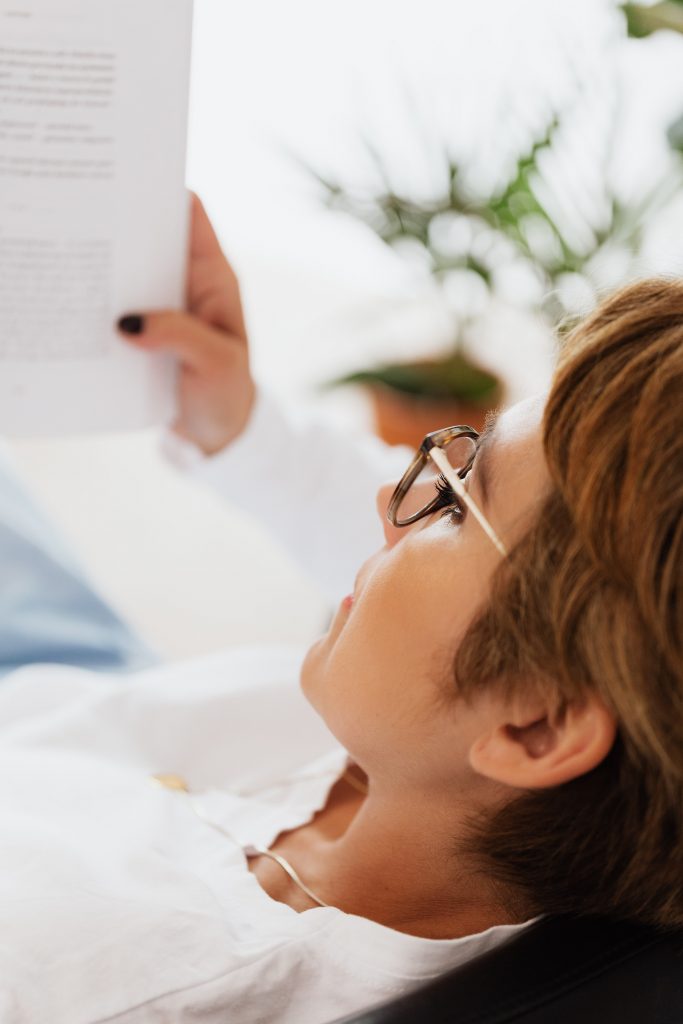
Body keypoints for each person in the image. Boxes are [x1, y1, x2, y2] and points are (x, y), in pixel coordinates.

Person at [0, 196, 680, 1024]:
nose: (387, 496)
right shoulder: (444, 763)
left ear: (535, 729)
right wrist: (240, 423)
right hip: (107, 707)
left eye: (457, 505)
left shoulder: (79, 972)